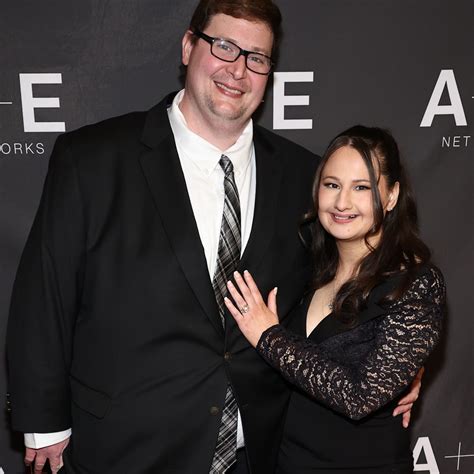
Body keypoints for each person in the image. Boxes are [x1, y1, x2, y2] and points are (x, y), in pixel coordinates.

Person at [6, 0, 418, 471]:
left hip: (260, 452)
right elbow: (45, 295)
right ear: (188, 47)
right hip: (126, 449)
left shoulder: (306, 176)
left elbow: (345, 284)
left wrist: (401, 358)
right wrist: (44, 420)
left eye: (256, 58)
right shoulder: (92, 159)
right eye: (223, 47)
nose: (237, 70)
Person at [225, 126, 445, 473]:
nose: (342, 202)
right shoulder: (307, 267)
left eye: (362, 187)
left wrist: (268, 336)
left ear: (391, 196)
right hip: (285, 462)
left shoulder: (416, 284)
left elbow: (360, 396)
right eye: (332, 185)